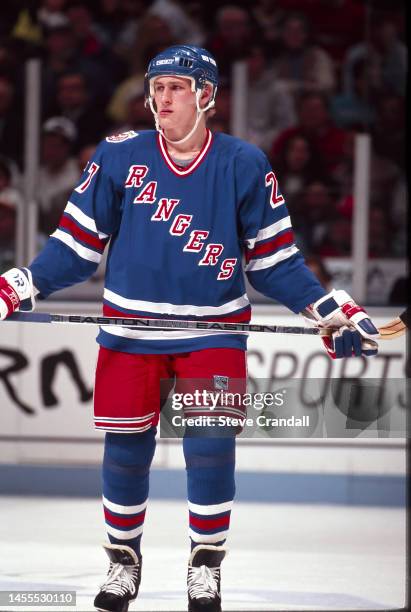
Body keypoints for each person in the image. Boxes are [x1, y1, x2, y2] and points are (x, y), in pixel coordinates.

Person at [0, 45, 380, 612]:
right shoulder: (117, 157)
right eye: (156, 88)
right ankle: (123, 563)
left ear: (206, 95)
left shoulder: (244, 163)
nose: (162, 99)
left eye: (177, 87)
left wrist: (328, 310)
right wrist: (21, 284)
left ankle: (205, 565)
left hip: (212, 334)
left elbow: (273, 261)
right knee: (126, 449)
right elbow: (78, 246)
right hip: (130, 332)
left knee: (210, 448)